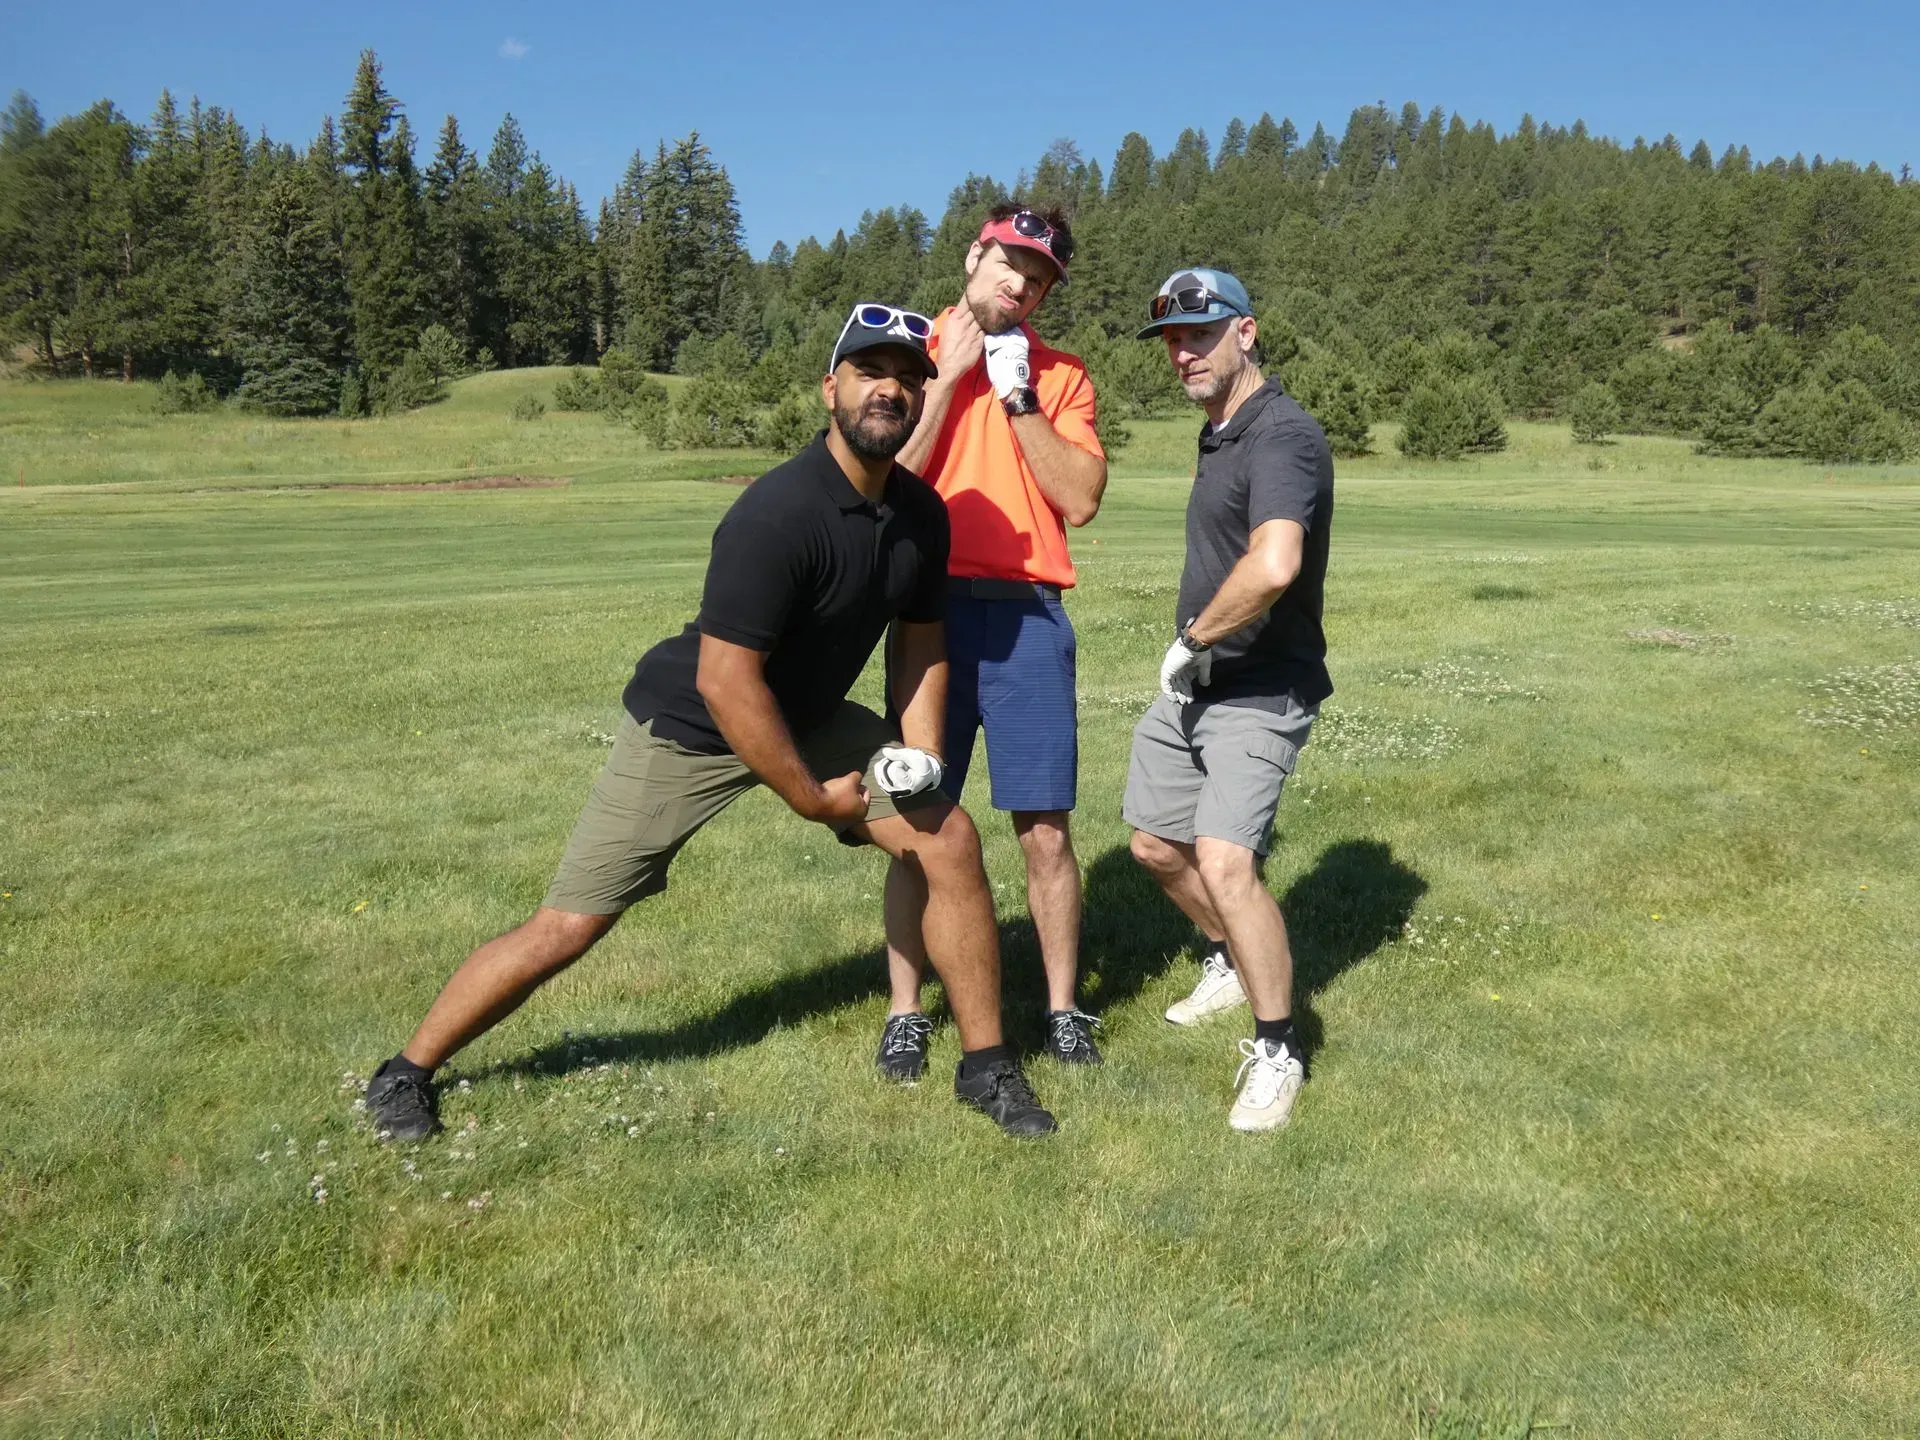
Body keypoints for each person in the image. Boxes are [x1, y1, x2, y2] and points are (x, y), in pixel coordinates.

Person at [365, 304, 1058, 1143]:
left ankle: (986, 1067)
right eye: (872, 373)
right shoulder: (777, 515)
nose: (892, 390)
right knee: (570, 924)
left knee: (947, 839)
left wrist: (916, 758)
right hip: (694, 725)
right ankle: (406, 1072)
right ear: (829, 387)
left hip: (809, 715)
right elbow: (726, 682)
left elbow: (920, 644)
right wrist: (811, 800)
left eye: (910, 378)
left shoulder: (920, 515)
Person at [876, 204, 1109, 1082]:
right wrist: (948, 379)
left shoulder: (1062, 376)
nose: (1019, 283)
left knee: (1044, 828)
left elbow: (1080, 498)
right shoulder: (910, 351)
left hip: (1027, 613)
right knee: (916, 818)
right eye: (1009, 263)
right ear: (974, 254)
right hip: (927, 615)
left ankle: (1061, 1010)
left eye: (1038, 278)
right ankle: (907, 1011)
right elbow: (888, 480)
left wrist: (1016, 398)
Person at [1123, 269, 1335, 1132]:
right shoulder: (1220, 433)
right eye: (1173, 339)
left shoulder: (1282, 435)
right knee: (1150, 846)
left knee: (1224, 861)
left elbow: (1275, 563)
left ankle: (1278, 1048)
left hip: (1258, 686)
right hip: (1200, 685)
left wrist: (1195, 639)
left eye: (1200, 334)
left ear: (1245, 333)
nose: (1184, 352)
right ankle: (1224, 961)